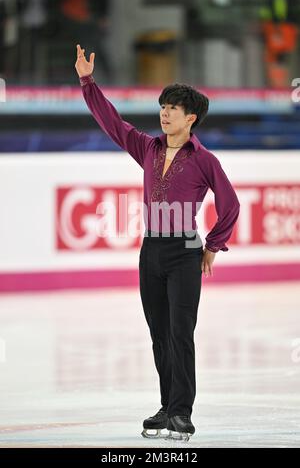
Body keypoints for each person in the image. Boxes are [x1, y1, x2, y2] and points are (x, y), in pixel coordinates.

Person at [75, 44, 240, 441]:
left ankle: (182, 412)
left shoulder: (204, 160)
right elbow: (112, 123)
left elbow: (230, 204)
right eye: (162, 106)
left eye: (172, 108)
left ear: (191, 118)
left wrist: (212, 247)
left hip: (185, 251)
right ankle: (167, 407)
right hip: (151, 251)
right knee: (159, 334)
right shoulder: (147, 148)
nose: (164, 113)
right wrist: (87, 81)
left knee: (181, 332)